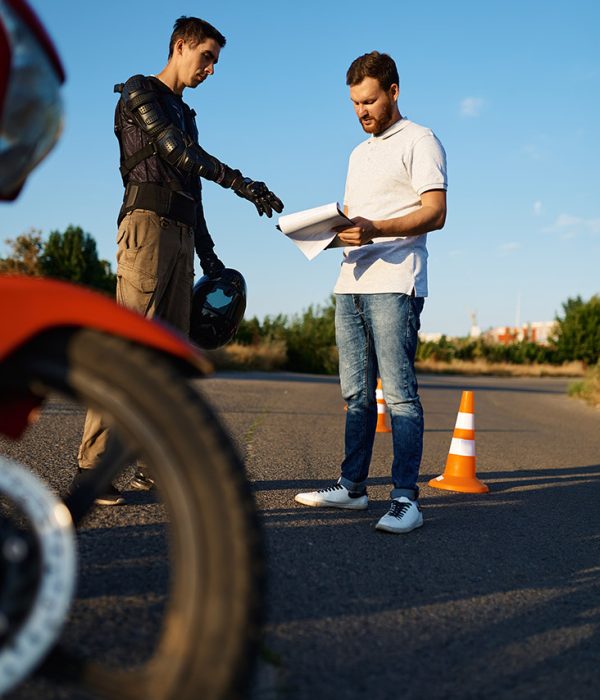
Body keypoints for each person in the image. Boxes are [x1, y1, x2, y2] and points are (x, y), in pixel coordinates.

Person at [75, 16, 284, 504]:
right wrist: (241, 181)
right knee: (129, 348)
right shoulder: (138, 90)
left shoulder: (188, 114)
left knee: (171, 355)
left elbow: (192, 189)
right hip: (146, 228)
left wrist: (210, 257)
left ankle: (152, 466)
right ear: (181, 44)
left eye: (215, 61)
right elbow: (175, 152)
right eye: (206, 56)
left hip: (183, 233)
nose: (211, 68)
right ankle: (93, 468)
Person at [295, 51, 447, 533]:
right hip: (350, 283)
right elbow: (357, 221)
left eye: (370, 100)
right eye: (355, 103)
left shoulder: (421, 140)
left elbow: (436, 212)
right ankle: (352, 488)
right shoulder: (357, 154)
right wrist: (331, 232)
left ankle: (405, 498)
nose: (362, 111)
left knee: (399, 396)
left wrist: (376, 228)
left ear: (394, 92)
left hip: (395, 284)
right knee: (356, 394)